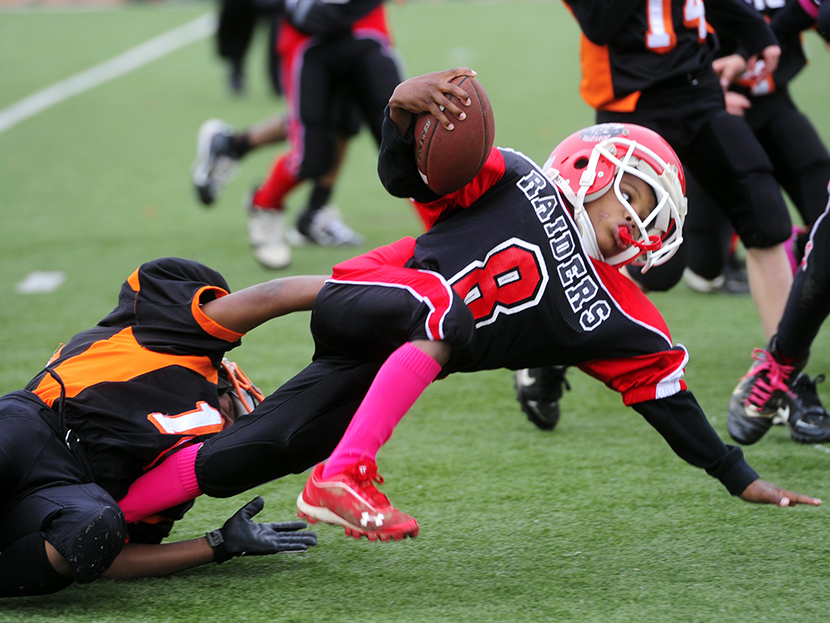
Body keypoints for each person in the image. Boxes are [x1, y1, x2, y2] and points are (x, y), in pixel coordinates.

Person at [117, 70, 821, 546]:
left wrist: (740, 477)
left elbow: (668, 402)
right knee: (444, 310)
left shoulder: (622, 314)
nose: (644, 223)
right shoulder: (513, 173)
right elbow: (407, 174)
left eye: (655, 217)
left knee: (254, 453)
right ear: (594, 167)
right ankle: (332, 464)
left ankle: (114, 517)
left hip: (393, 360)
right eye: (637, 197)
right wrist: (400, 110)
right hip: (381, 297)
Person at [515, 0, 801, 433]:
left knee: (766, 215)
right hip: (631, 106)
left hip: (699, 92)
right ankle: (549, 348)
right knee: (651, 265)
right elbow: (600, 22)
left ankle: (781, 377)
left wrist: (752, 35)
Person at [0, 258, 322, 597]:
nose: (229, 421)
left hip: (67, 486)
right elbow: (274, 294)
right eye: (231, 409)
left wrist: (218, 545)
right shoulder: (177, 344)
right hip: (31, 428)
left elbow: (108, 557)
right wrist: (361, 290)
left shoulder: (182, 472)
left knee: (96, 526)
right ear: (229, 382)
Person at [239, 0, 406, 269]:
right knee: (311, 155)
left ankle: (445, 235)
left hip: (364, 27)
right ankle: (265, 202)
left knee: (403, 145)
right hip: (308, 37)